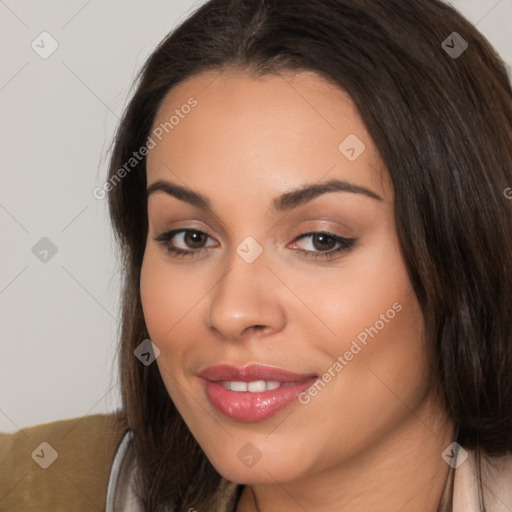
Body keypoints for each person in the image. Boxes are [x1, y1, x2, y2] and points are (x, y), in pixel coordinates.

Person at [4, 0, 509, 511]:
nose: (232, 312)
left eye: (320, 240)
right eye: (191, 238)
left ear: (466, 253)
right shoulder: (30, 486)